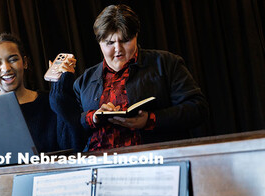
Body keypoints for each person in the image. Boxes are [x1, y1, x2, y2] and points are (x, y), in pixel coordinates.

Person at [72, 4, 208, 151]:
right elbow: (71, 130)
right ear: (99, 43)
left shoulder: (166, 63)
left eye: (125, 40)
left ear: (136, 36)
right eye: (110, 43)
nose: (118, 49)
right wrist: (93, 117)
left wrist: (150, 120)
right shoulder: (84, 81)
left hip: (153, 160)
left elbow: (198, 109)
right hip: (99, 164)